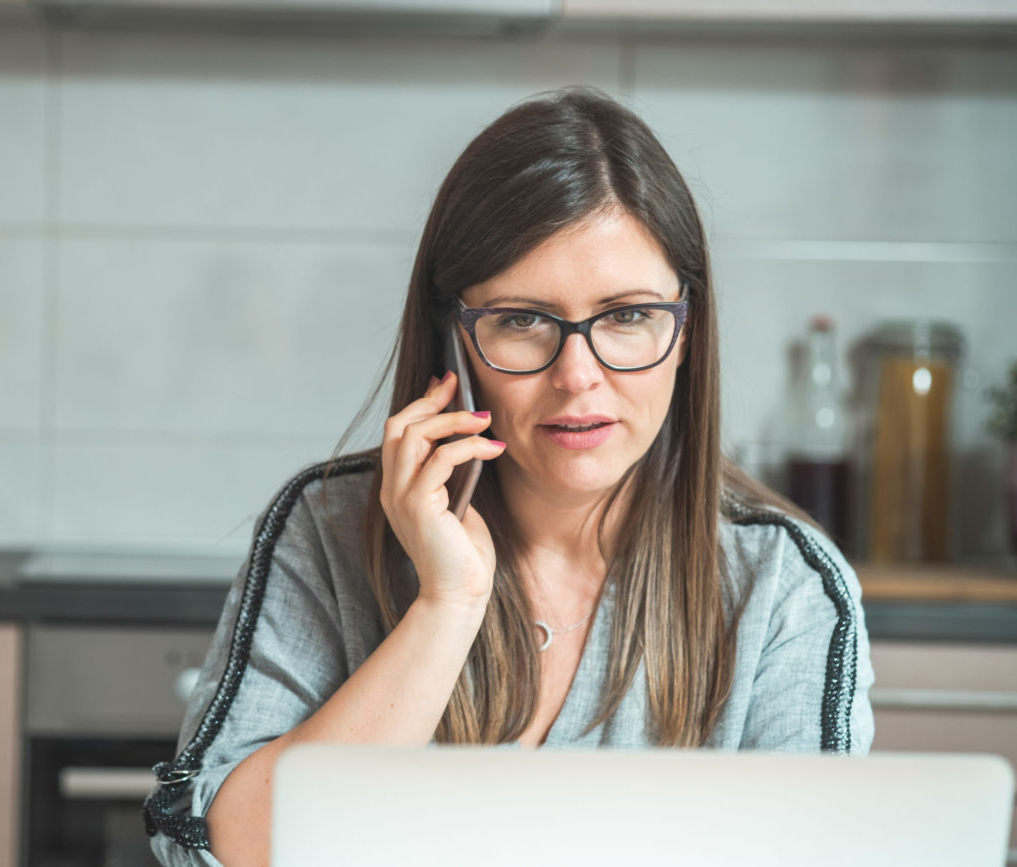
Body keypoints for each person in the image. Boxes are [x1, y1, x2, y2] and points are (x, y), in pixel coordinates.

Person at [145, 86, 875, 867]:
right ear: (453, 341)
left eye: (627, 315)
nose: (578, 376)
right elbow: (205, 849)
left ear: (687, 330)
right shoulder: (325, 528)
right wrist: (446, 605)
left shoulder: (785, 587)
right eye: (523, 319)